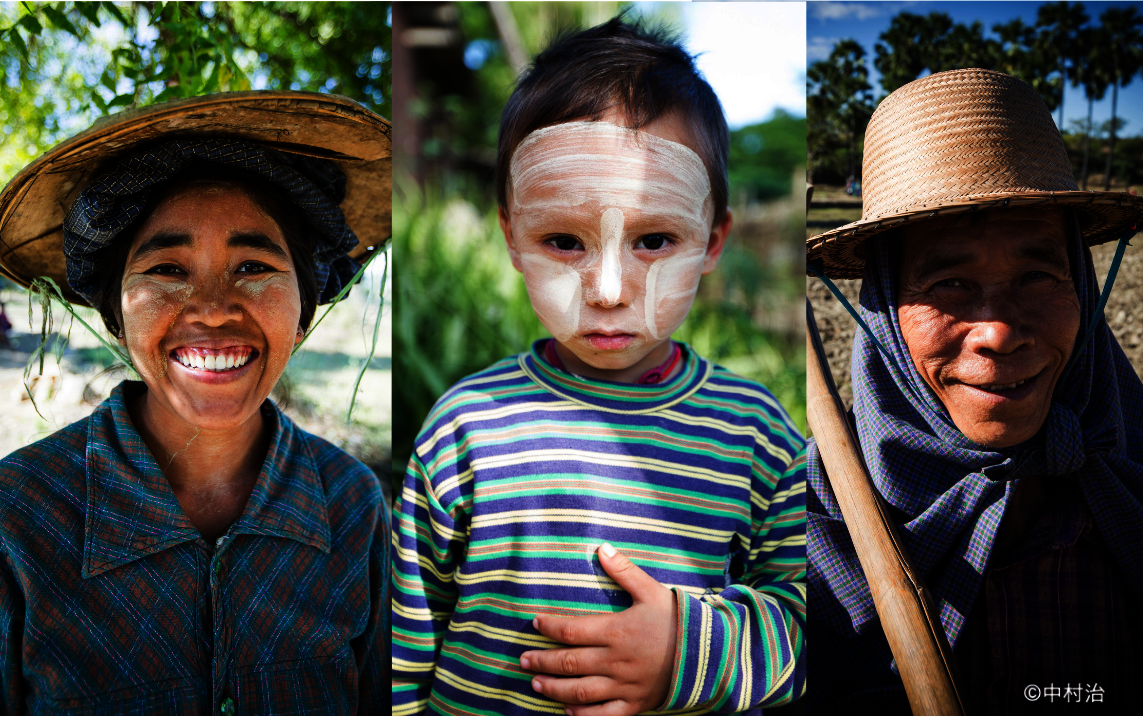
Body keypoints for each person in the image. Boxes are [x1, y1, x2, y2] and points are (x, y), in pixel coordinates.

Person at [392, 17, 806, 716]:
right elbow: (406, 643)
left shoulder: (757, 436)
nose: (608, 290)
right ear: (511, 238)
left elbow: (816, 618)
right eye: (562, 240)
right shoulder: (465, 427)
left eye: (653, 239)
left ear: (711, 240)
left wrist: (691, 653)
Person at [0, 92, 391, 714]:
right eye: (166, 270)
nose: (212, 308)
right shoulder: (18, 517)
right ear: (116, 318)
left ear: (303, 311)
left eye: (254, 264)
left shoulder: (352, 506)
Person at [806, 69, 1143, 714]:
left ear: (1080, 284)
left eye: (1039, 275)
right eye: (949, 284)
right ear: (882, 308)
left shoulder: (1130, 467)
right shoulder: (814, 522)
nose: (999, 332)